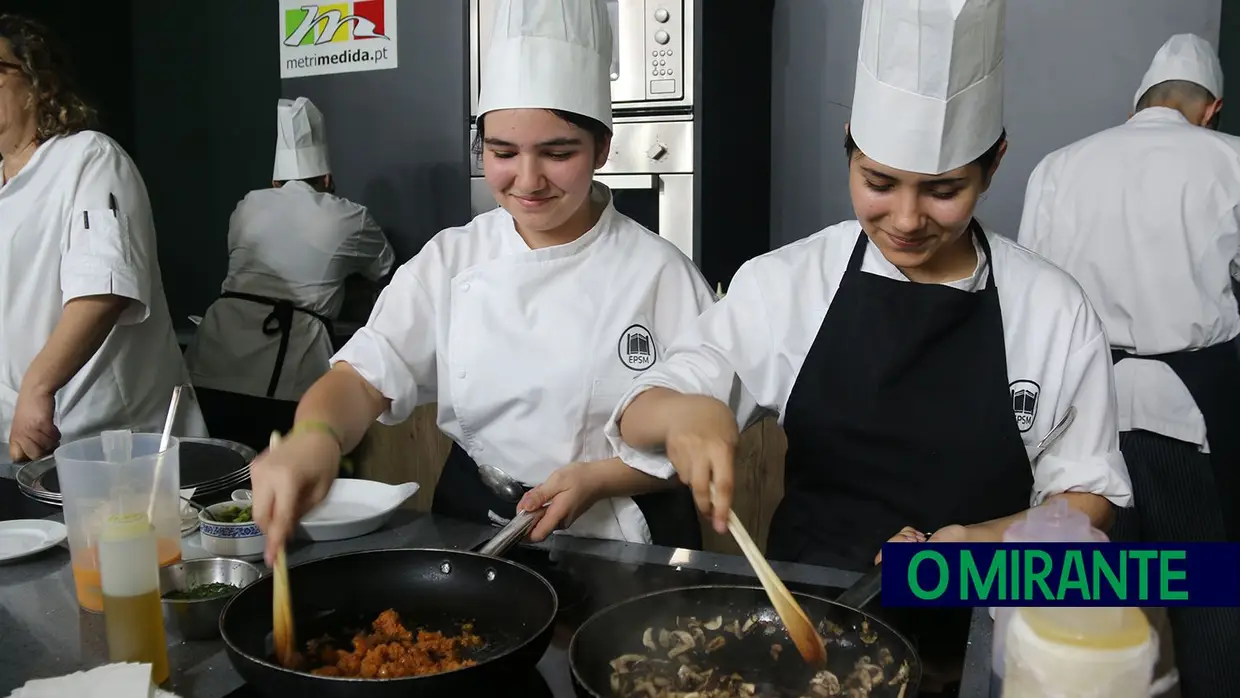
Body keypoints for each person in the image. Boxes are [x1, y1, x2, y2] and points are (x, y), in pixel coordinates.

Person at [607, 0, 1132, 692]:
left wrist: (972, 549)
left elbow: (1087, 499)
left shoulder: (1052, 308)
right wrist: (682, 413)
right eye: (878, 183)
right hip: (807, 630)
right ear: (849, 143)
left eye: (944, 191)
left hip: (983, 631)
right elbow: (641, 411)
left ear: (994, 163)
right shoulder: (787, 283)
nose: (907, 220)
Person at [249, 0, 716, 563]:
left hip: (621, 540)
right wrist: (314, 439)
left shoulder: (661, 275)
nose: (527, 179)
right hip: (477, 522)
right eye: (502, 152)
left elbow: (697, 446)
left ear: (601, 148)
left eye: (557, 152)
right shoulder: (453, 259)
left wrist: (599, 477)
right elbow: (362, 379)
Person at [1016, 32, 1238, 698]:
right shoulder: (1231, 160)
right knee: (1205, 589)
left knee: (1082, 601)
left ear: (1138, 101)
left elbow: (1032, 299)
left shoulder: (1058, 166)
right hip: (1188, 413)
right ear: (1210, 109)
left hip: (1082, 417)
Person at [0, 14, 206, 462]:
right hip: (24, 441)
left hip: (116, 443)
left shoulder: (89, 158)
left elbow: (104, 289)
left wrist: (38, 387)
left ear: (38, 85)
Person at [185, 97, 395, 403]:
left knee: (219, 449)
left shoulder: (247, 206)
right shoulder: (349, 216)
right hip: (290, 374)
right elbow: (384, 268)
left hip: (212, 360)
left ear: (274, 181)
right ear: (327, 179)